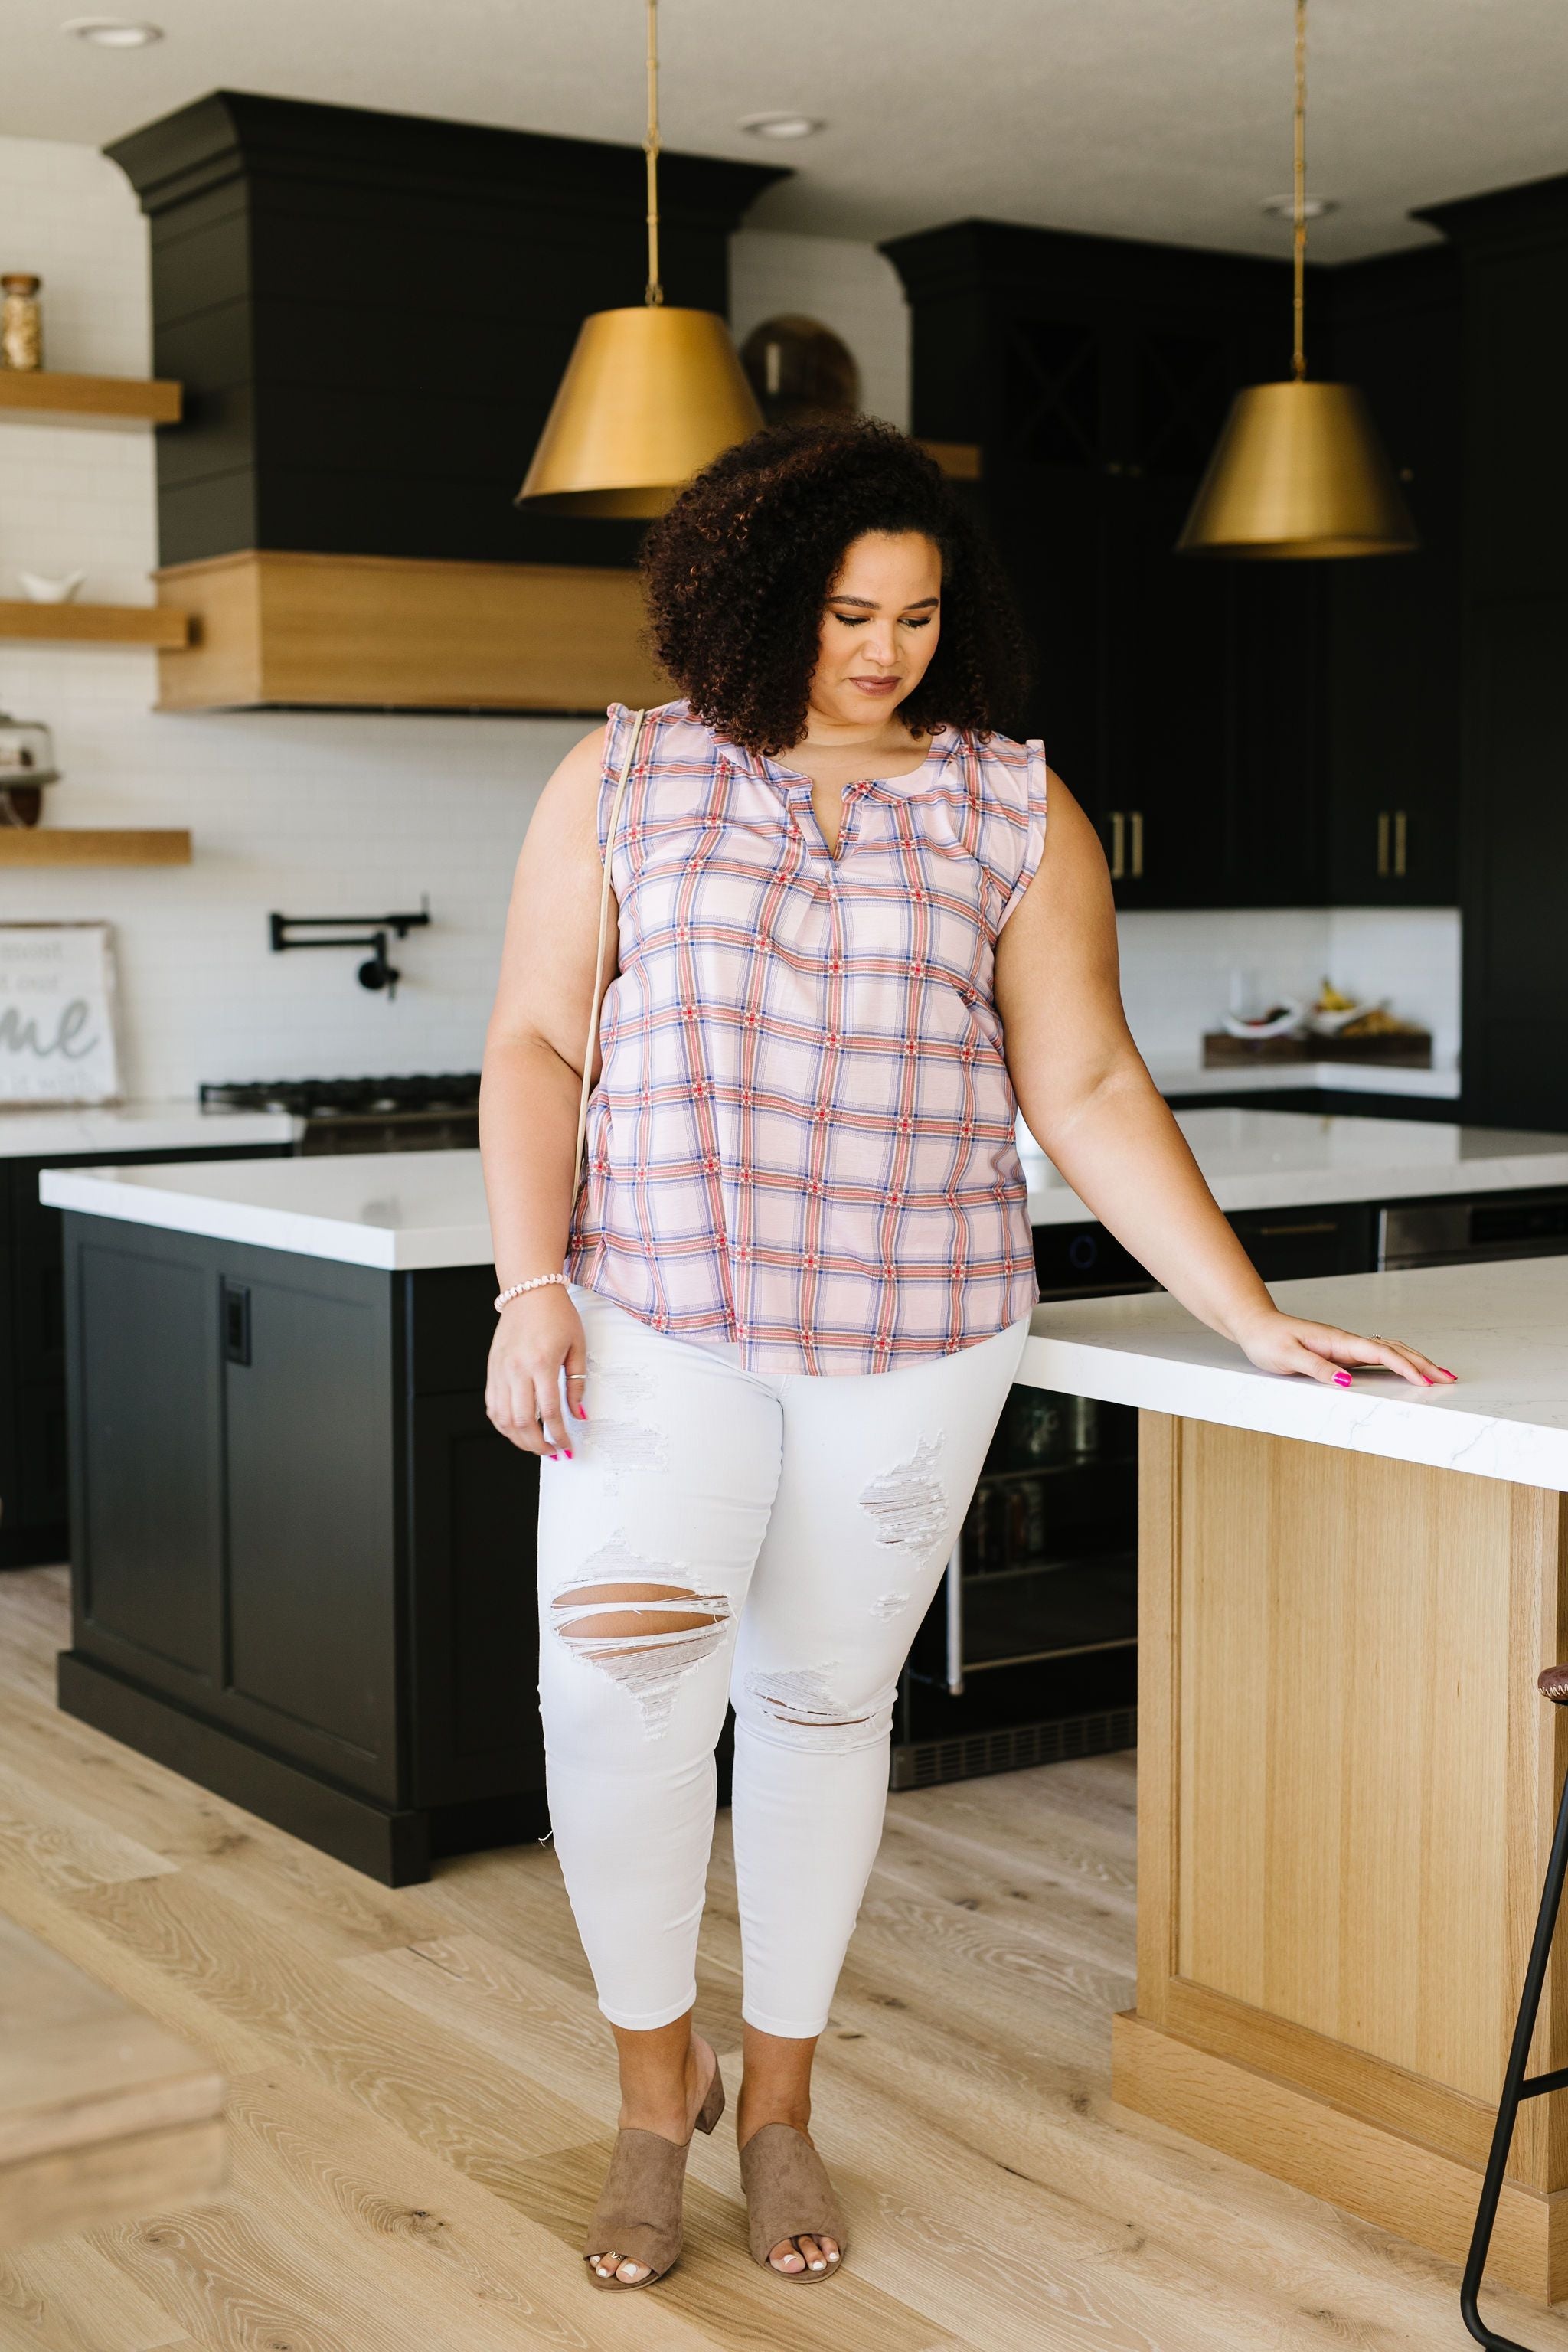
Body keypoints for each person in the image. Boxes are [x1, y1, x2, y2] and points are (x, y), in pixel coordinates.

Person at [479, 417, 1455, 2294]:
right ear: (755, 593)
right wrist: (531, 1286)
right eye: (850, 611)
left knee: (827, 1711)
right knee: (613, 1710)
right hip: (653, 1316)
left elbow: (1078, 1078)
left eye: (921, 615)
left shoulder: (1009, 800)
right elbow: (538, 1041)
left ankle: (776, 2103)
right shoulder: (622, 778)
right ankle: (641, 2089)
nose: (885, 649)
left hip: (918, 1329)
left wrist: (1245, 1313)